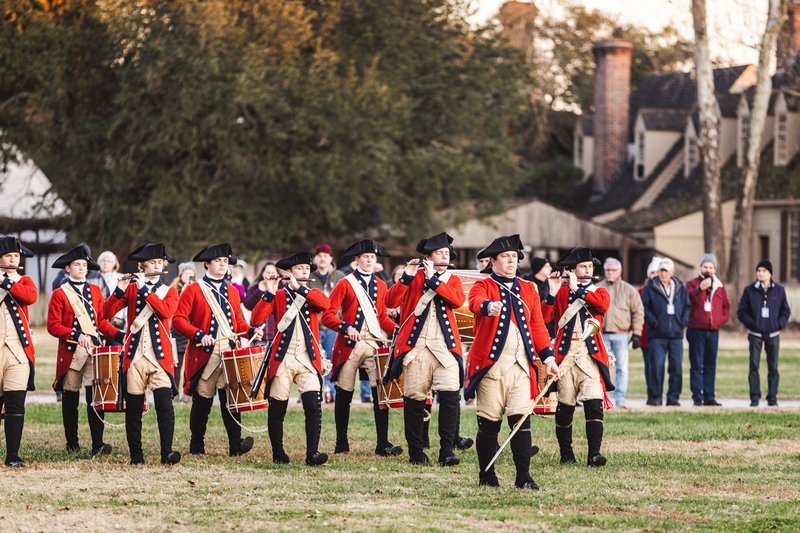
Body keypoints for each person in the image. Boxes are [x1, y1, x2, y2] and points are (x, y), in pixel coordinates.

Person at [464, 234, 557, 489]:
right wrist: (487, 307)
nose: (511, 261)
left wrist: (548, 357)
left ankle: (523, 477)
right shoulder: (483, 285)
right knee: (489, 424)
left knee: (521, 423)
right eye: (505, 257)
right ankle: (487, 475)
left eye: (514, 257)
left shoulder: (529, 289)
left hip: (521, 368)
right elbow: (474, 303)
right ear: (493, 261)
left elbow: (537, 325)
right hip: (491, 368)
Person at [172, 243, 262, 457]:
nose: (223, 265)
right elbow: (178, 320)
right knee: (202, 399)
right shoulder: (193, 289)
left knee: (231, 400)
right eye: (218, 261)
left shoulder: (232, 291)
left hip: (229, 351)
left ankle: (235, 444)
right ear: (207, 264)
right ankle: (196, 444)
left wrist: (250, 332)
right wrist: (199, 335)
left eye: (225, 261)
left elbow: (237, 322)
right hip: (205, 354)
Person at [385, 232, 464, 466]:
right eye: (439, 253)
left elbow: (457, 301)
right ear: (428, 256)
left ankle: (447, 450)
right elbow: (390, 302)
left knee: (450, 396)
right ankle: (416, 452)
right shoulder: (413, 277)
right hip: (416, 348)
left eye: (446, 254)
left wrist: (434, 280)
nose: (443, 257)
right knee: (414, 400)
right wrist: (407, 276)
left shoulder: (452, 279)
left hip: (445, 348)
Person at [321, 239, 403, 457]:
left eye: (372, 257)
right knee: (344, 394)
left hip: (373, 343)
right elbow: (327, 316)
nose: (369, 260)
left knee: (380, 393)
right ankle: (341, 442)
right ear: (357, 260)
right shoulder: (345, 283)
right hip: (349, 346)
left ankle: (382, 443)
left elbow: (382, 318)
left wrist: (396, 330)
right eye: (365, 256)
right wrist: (345, 327)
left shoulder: (381, 285)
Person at [103, 243, 181, 465]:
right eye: (153, 262)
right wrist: (119, 289)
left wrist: (145, 290)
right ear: (143, 265)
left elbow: (165, 312)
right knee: (134, 410)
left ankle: (167, 453)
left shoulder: (169, 291)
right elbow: (107, 313)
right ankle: (136, 456)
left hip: (160, 358)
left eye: (160, 262)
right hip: (134, 356)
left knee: (165, 406)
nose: (157, 265)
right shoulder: (131, 288)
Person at [251, 251, 330, 466]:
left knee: (313, 406)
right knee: (278, 408)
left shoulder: (310, 292)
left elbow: (325, 305)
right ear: (289, 272)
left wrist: (300, 288)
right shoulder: (277, 296)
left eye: (307, 269)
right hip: (282, 358)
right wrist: (269, 292)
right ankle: (278, 452)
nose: (305, 271)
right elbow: (257, 319)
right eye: (300, 269)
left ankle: (312, 453)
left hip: (308, 358)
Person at [47, 245, 123, 457]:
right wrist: (75, 334)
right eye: (77, 265)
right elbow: (53, 326)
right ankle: (72, 443)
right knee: (70, 399)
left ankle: (97, 443)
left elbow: (101, 322)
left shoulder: (96, 291)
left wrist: (120, 335)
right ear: (68, 268)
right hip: (72, 353)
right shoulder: (60, 293)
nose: (82, 268)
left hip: (94, 351)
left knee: (95, 398)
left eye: (84, 265)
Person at [542, 247, 613, 466]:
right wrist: (552, 292)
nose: (588, 270)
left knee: (594, 405)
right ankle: (566, 454)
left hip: (590, 359)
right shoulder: (562, 292)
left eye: (590, 266)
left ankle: (594, 454)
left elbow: (601, 306)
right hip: (565, 359)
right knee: (565, 409)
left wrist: (578, 289)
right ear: (572, 270)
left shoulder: (599, 292)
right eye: (583, 266)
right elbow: (545, 317)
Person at [0, 236, 38, 467]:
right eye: (8, 256)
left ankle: (12, 455)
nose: (14, 259)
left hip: (17, 350)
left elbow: (30, 297)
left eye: (16, 256)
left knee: (15, 404)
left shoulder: (24, 280)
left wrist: (7, 282)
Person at [737, 260, 791, 407]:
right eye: (758, 270)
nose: (760, 273)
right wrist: (753, 324)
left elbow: (785, 311)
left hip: (773, 335)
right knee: (754, 366)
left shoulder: (779, 290)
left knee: (773, 367)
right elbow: (741, 312)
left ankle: (772, 398)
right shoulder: (749, 290)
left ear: (770, 273)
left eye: (763, 270)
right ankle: (755, 398)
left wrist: (778, 324)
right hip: (755, 335)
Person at [641, 258, 690, 406]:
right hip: (657, 335)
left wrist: (682, 322)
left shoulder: (680, 287)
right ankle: (656, 397)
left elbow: (687, 306)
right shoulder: (650, 287)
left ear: (672, 272)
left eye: (666, 271)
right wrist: (654, 322)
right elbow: (644, 307)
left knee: (676, 367)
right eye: (661, 270)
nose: (663, 274)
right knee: (657, 367)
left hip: (676, 335)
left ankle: (673, 397)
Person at [597, 257, 643, 409]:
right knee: (602, 368)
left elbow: (638, 312)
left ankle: (620, 400)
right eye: (608, 270)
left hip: (622, 335)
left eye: (613, 270)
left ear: (620, 271)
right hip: (601, 335)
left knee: (622, 368)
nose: (610, 272)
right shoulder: (597, 288)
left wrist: (636, 333)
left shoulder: (629, 290)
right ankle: (604, 399)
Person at [685, 253, 730, 406]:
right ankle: (697, 396)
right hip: (696, 329)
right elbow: (687, 300)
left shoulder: (719, 286)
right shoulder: (692, 284)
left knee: (710, 365)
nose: (708, 270)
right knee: (697, 365)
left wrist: (720, 320)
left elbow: (726, 307)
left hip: (713, 331)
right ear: (701, 267)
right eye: (705, 266)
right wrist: (700, 289)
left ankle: (710, 396)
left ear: (715, 269)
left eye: (711, 267)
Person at [307, 244, 345, 404]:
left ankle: (331, 392)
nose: (322, 259)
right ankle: (314, 392)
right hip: (314, 325)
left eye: (325, 256)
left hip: (332, 325)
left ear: (331, 258)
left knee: (331, 358)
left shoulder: (339, 276)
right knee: (314, 359)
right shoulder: (309, 276)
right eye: (319, 255)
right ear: (315, 258)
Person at [170, 262, 196, 397]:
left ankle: (188, 393)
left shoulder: (198, 288)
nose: (189, 275)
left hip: (192, 329)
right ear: (181, 275)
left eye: (191, 273)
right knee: (177, 364)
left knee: (191, 364)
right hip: (177, 331)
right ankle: (174, 393)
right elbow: (174, 310)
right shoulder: (174, 288)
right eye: (186, 273)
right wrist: (184, 292)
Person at [639, 257, 662, 406]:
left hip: (661, 334)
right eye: (652, 272)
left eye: (657, 272)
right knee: (649, 365)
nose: (655, 275)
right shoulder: (641, 291)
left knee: (659, 365)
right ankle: (651, 392)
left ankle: (659, 393)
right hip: (646, 334)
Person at [242, 261, 278, 345]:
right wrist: (260, 291)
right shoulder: (255, 287)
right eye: (268, 272)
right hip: (258, 334)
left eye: (273, 272)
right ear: (263, 274)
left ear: (277, 274)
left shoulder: (281, 289)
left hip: (275, 335)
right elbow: (247, 305)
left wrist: (272, 290)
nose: (270, 275)